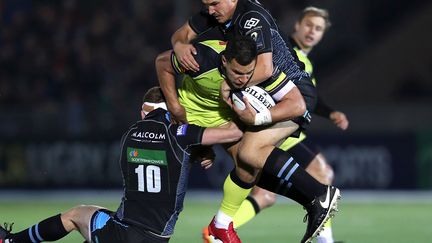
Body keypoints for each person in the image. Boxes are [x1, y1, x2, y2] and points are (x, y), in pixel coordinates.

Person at [157, 34, 340, 243]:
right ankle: (315, 196)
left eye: (248, 73)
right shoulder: (202, 59)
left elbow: (297, 105)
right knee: (162, 184)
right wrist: (175, 108)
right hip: (187, 119)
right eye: (236, 72)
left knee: (248, 166)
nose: (243, 80)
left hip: (225, 121)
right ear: (224, 61)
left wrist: (259, 118)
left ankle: (222, 225)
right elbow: (163, 62)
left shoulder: (263, 69)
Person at [0, 86, 244, 243]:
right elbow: (232, 132)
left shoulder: (130, 134)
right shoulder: (181, 134)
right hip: (157, 237)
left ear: (143, 113)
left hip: (124, 233)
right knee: (95, 214)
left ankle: (12, 242)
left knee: (76, 215)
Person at [230, 7, 349, 243]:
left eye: (318, 28)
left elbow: (309, 97)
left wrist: (330, 112)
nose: (311, 32)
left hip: (278, 126)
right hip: (277, 127)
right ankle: (219, 229)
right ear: (297, 25)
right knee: (321, 174)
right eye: (308, 25)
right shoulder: (285, 52)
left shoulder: (302, 58)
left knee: (263, 193)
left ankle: (220, 228)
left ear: (324, 33)